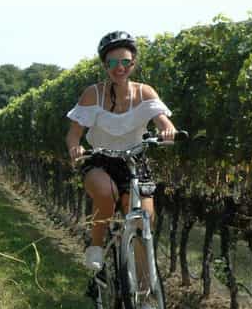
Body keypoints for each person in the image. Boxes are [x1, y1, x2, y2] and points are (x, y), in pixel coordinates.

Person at [65, 31, 177, 271]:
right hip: (100, 160)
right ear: (105, 65)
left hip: (135, 163)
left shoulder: (144, 92)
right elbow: (74, 133)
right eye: (113, 63)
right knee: (107, 193)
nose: (119, 68)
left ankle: (144, 292)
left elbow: (163, 122)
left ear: (133, 63)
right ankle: (95, 246)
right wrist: (75, 147)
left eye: (125, 62)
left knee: (142, 221)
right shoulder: (92, 94)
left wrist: (168, 132)